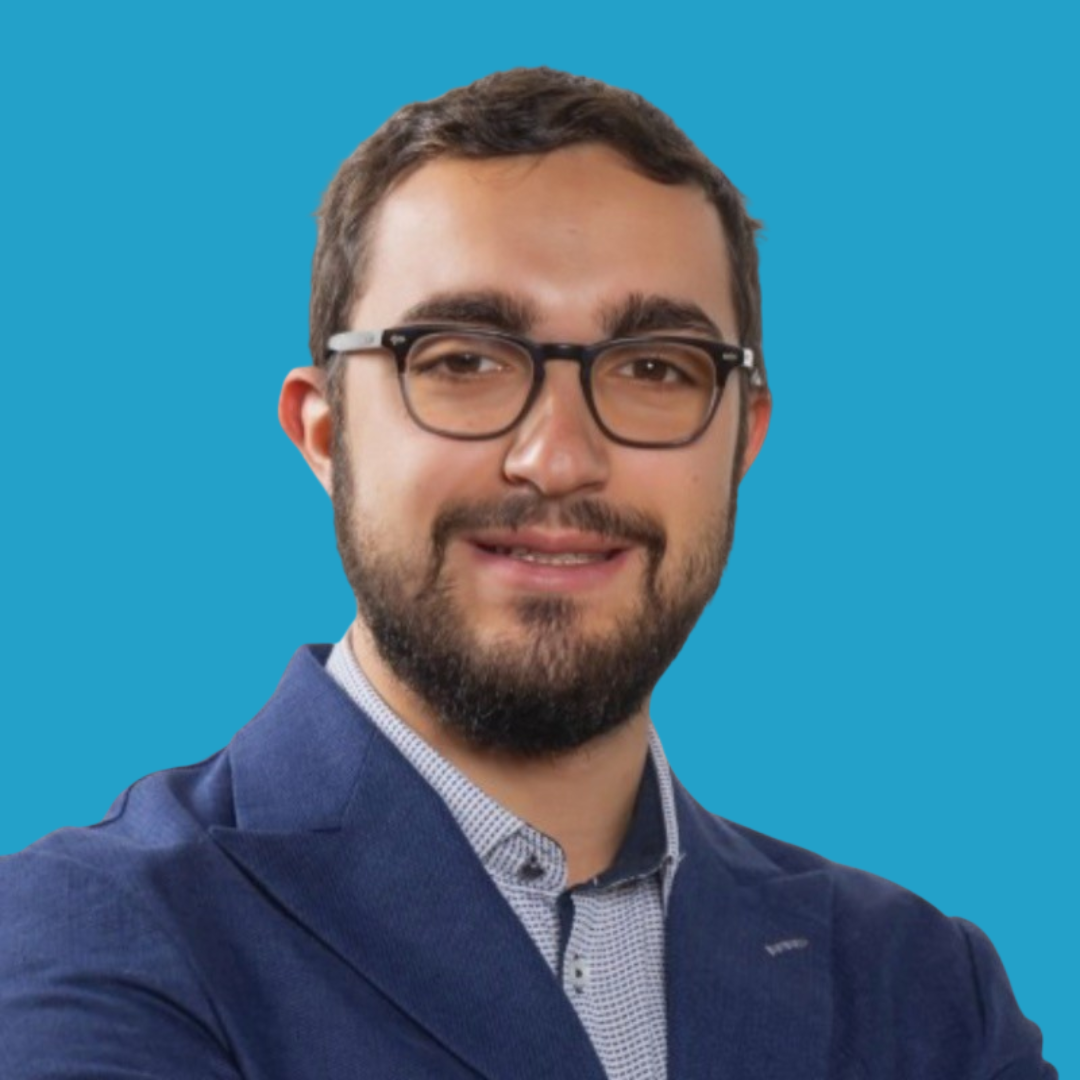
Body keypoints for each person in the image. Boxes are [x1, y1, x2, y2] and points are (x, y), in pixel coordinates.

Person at [0, 68, 1055, 1079]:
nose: (557, 458)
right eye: (461, 360)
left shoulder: (921, 985)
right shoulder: (91, 936)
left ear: (742, 440)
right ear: (324, 435)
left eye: (653, 369)